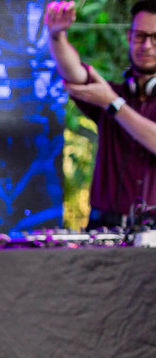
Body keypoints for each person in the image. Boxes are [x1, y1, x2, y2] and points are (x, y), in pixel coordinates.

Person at [46, 0, 156, 227]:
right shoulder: (110, 94)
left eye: (155, 38)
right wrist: (57, 36)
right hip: (104, 229)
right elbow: (74, 72)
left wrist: (113, 104)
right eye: (140, 36)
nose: (146, 46)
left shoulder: (110, 99)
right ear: (129, 37)